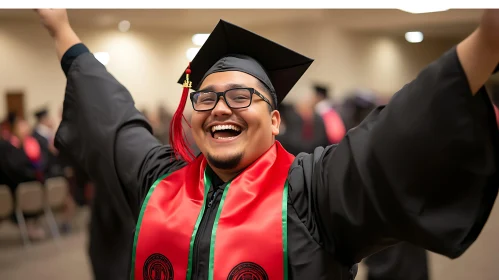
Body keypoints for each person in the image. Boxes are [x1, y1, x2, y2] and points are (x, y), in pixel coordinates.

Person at [36, 8, 499, 280]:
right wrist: (61, 31)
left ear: (275, 121)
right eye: (207, 97)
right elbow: (112, 120)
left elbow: (394, 138)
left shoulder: (311, 191)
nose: (220, 107)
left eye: (241, 96)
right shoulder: (160, 183)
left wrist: (487, 43)